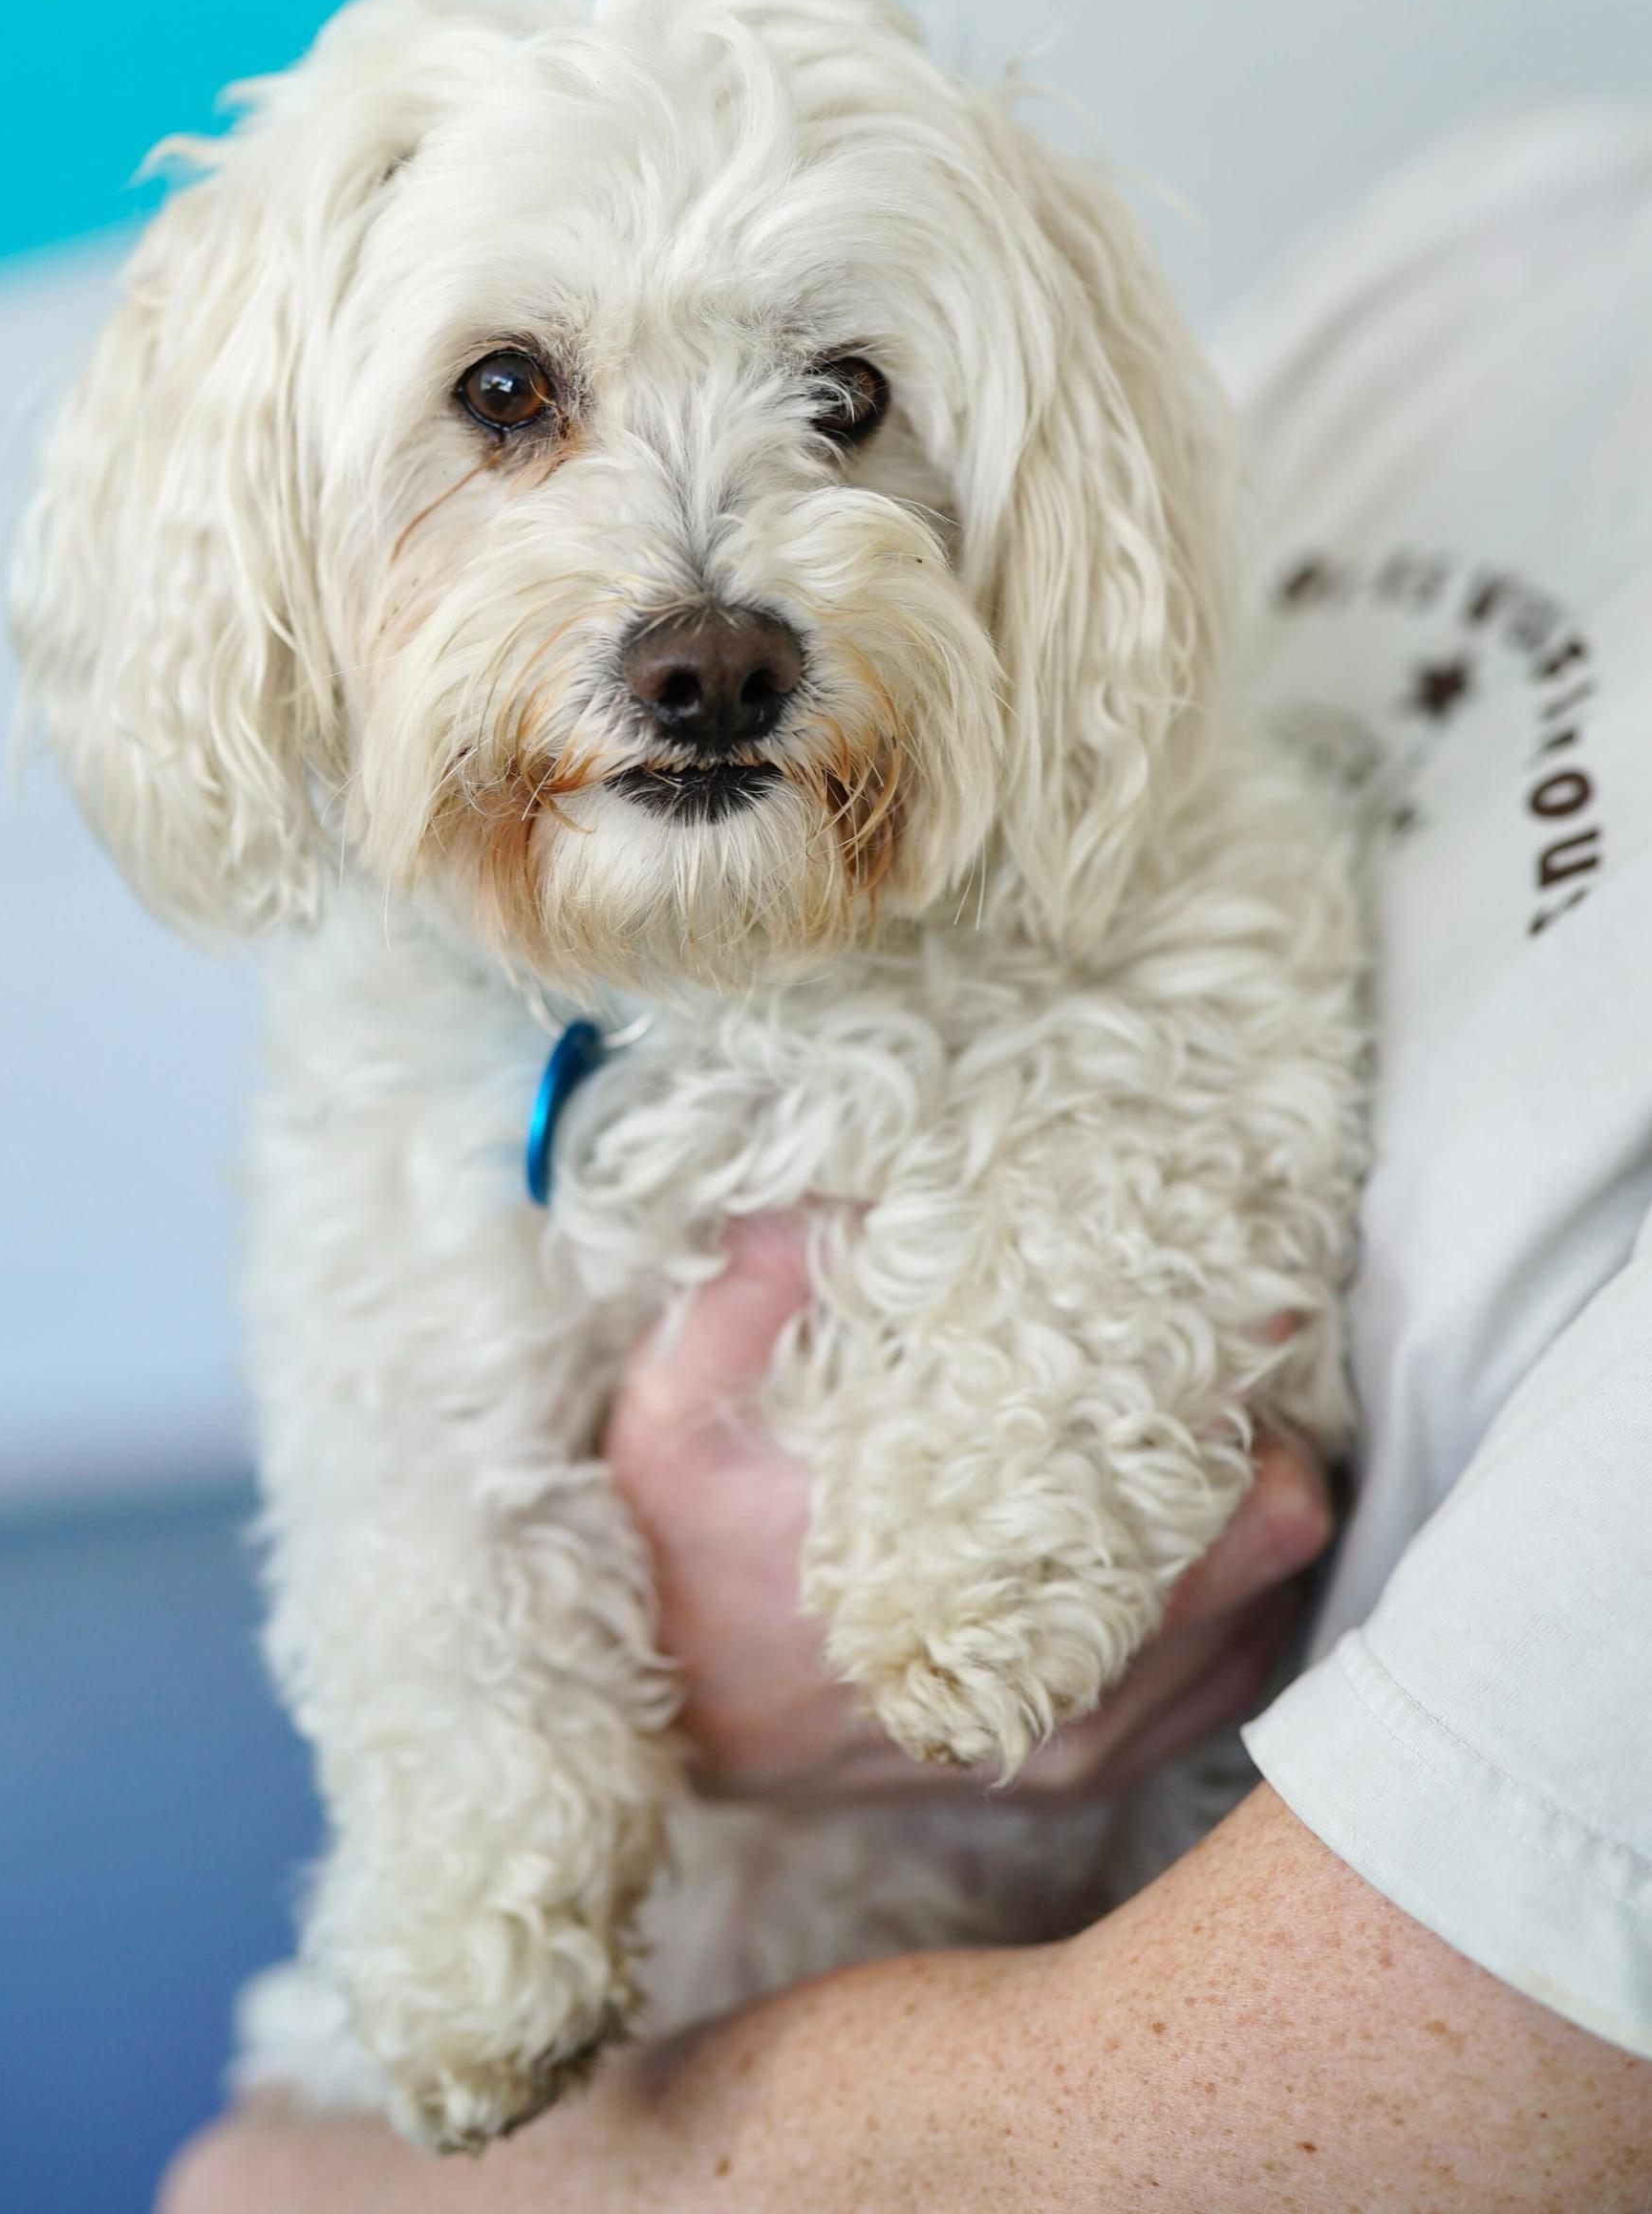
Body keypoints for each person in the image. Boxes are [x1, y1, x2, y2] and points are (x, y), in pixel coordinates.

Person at [163, 107, 1652, 2209]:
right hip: (575, 2069)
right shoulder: (1504, 234)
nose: (704, 595)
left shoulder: (1134, 891)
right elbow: (397, 1481)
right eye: (514, 404)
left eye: (839, 405)